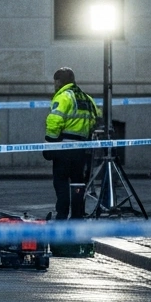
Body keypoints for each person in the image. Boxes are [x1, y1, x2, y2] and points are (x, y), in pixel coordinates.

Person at [46, 67, 99, 220]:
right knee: (78, 184)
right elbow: (95, 119)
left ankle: (62, 216)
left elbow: (55, 120)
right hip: (82, 149)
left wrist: (49, 143)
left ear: (58, 82)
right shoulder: (87, 98)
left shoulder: (63, 97)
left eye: (55, 82)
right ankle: (77, 216)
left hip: (63, 147)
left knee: (61, 182)